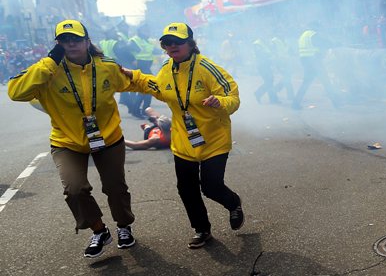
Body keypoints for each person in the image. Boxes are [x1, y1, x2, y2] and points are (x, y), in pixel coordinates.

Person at [7, 19, 145, 258]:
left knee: (115, 188)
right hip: (66, 142)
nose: (71, 44)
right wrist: (50, 61)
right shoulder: (48, 69)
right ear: (58, 45)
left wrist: (169, 94)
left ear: (87, 41)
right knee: (74, 190)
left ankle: (124, 227)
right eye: (64, 40)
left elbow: (134, 81)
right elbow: (16, 92)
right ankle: (99, 230)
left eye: (76, 39)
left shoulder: (106, 66)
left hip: (108, 137)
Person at [125, 22, 243, 249]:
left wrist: (221, 102)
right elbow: (157, 87)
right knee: (186, 188)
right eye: (167, 43)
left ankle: (233, 202)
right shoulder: (166, 69)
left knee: (211, 187)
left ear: (190, 43)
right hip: (183, 140)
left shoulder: (207, 68)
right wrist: (133, 76)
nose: (172, 46)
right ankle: (201, 229)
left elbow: (233, 97)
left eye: (177, 42)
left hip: (214, 139)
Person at [291, 22, 340, 110]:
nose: (319, 29)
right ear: (315, 27)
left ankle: (295, 103)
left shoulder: (302, 36)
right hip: (314, 61)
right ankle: (336, 103)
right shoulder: (313, 35)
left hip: (306, 61)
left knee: (305, 83)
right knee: (326, 81)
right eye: (318, 27)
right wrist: (336, 43)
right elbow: (324, 43)